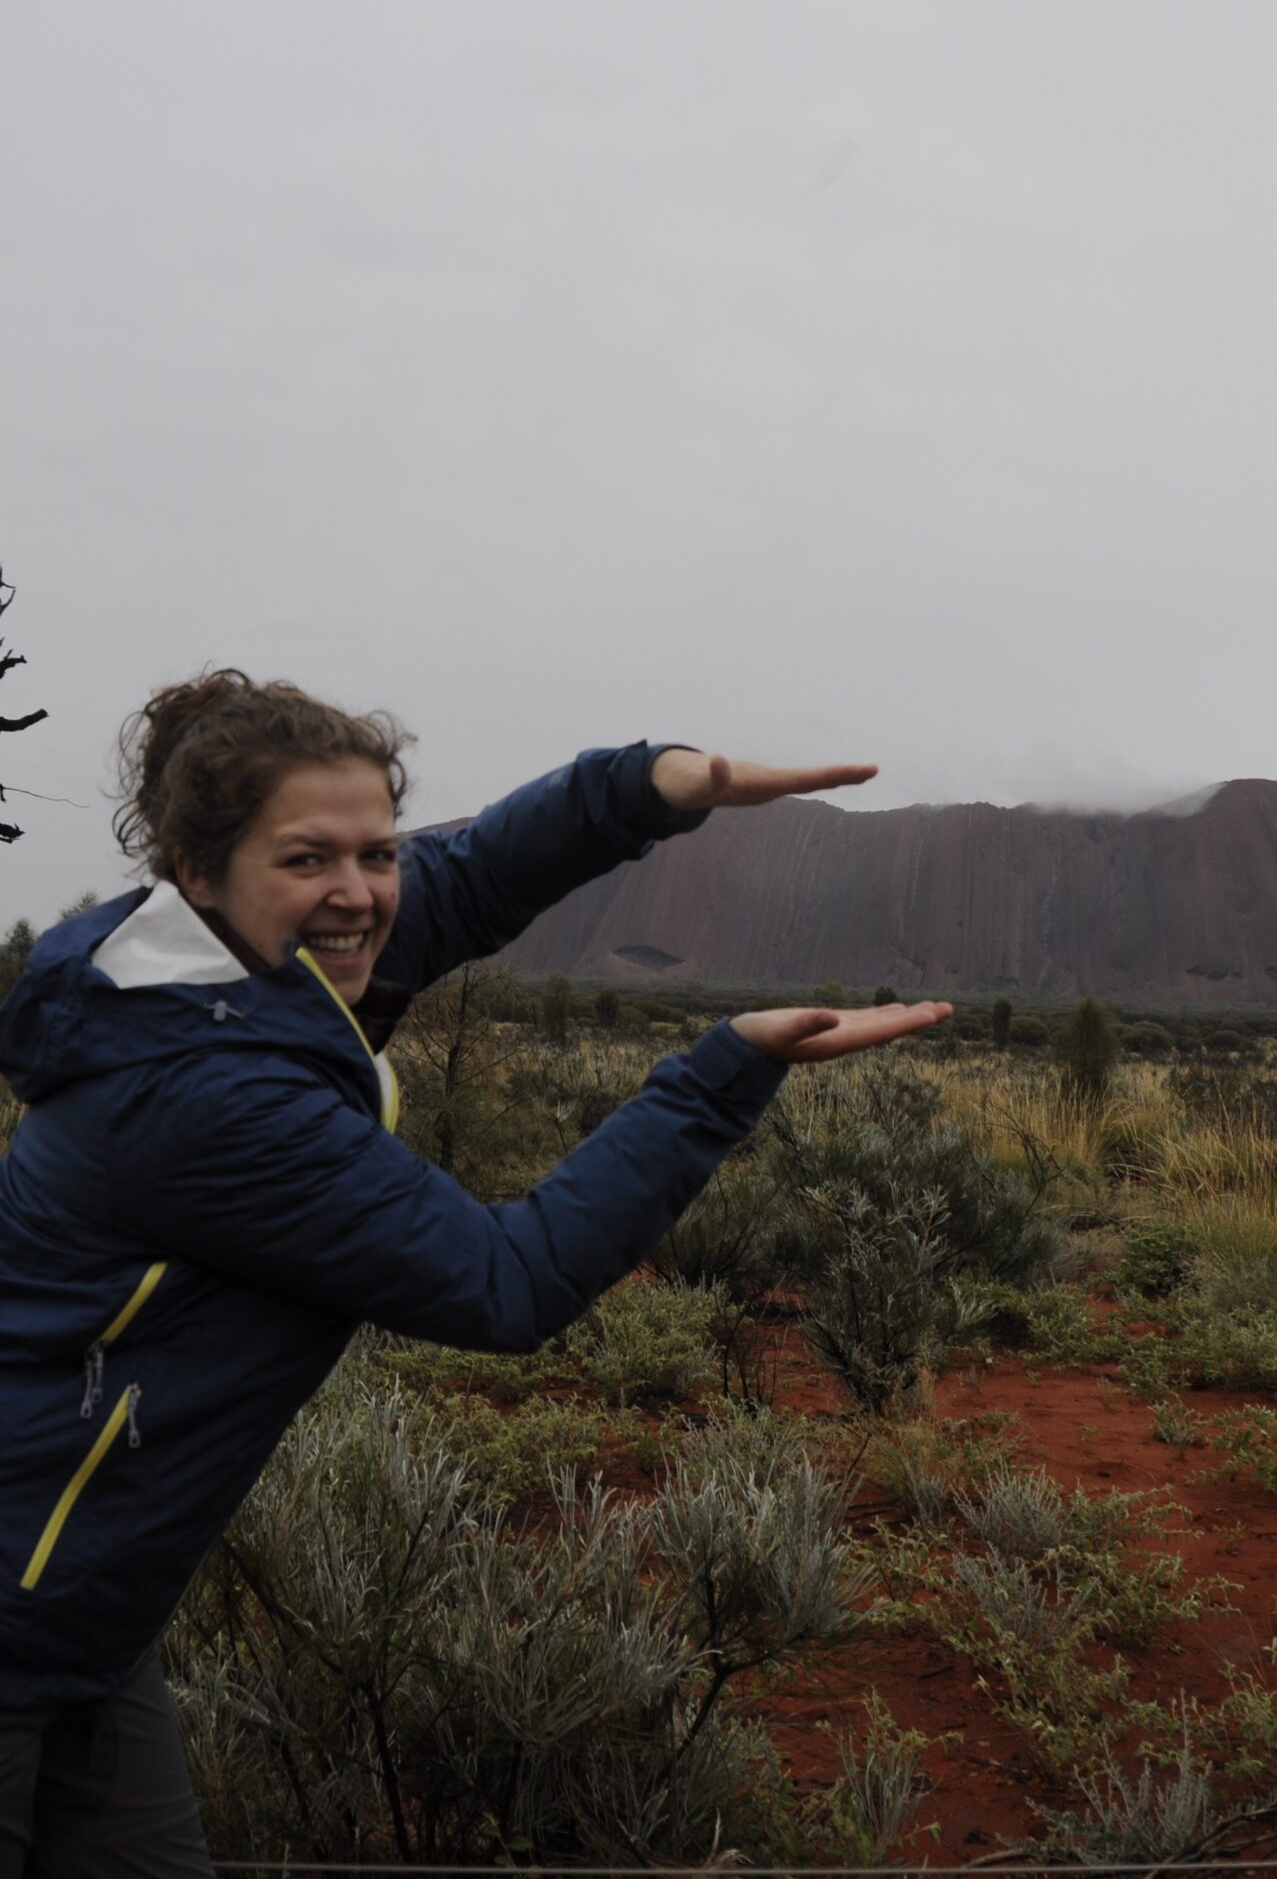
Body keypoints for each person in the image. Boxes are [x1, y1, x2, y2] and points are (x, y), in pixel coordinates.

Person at [0, 670, 951, 1875]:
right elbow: (507, 1283)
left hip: (83, 1608)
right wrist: (721, 1071)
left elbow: (462, 880)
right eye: (307, 858)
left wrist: (642, 787)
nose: (356, 893)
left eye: (375, 851)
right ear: (199, 867)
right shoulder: (206, 1097)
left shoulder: (182, 967)